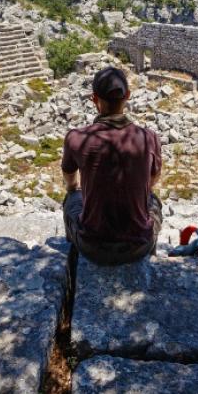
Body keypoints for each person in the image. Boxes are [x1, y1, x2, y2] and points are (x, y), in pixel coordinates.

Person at [61, 67, 162, 265]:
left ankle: (73, 258)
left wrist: (75, 191)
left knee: (71, 199)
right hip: (139, 247)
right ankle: (151, 260)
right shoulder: (149, 137)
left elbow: (70, 180)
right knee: (154, 201)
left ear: (94, 99)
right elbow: (152, 181)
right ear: (128, 96)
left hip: (92, 247)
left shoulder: (76, 138)